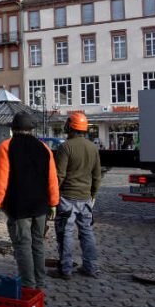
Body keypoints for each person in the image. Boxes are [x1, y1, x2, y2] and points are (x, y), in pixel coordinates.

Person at [0, 112, 60, 289]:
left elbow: (0, 179)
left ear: (13, 130)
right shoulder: (44, 148)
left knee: (23, 246)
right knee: (38, 244)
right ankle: (40, 283)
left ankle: (28, 285)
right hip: (41, 206)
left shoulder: (6, 147)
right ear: (31, 129)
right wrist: (53, 203)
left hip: (19, 207)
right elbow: (52, 178)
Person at [51, 112, 102, 279]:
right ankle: (91, 267)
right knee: (87, 232)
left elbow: (59, 175)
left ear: (70, 127)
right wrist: (92, 194)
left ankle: (65, 269)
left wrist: (51, 196)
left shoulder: (65, 147)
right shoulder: (93, 148)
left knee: (66, 232)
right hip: (85, 197)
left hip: (67, 197)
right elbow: (97, 175)